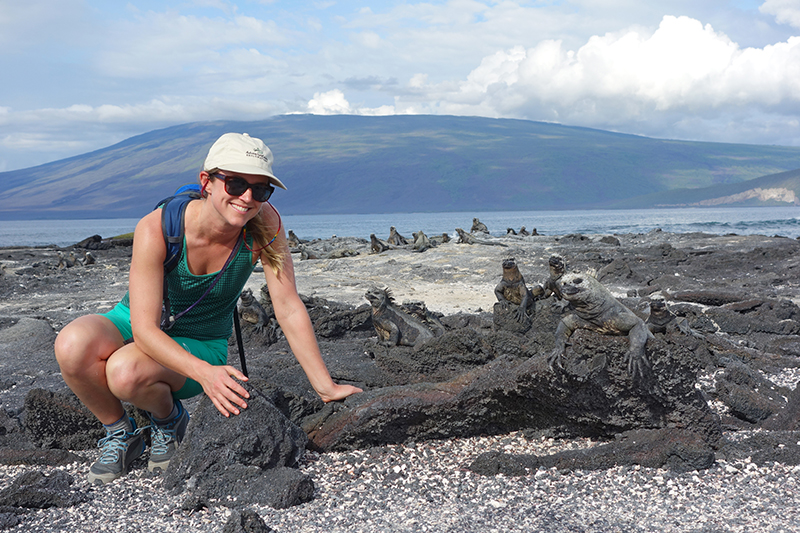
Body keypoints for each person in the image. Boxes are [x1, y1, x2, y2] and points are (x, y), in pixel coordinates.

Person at [54, 132, 362, 485]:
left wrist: (325, 386)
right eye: (235, 183)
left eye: (260, 190)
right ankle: (121, 433)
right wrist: (205, 375)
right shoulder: (158, 227)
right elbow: (143, 330)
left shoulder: (266, 227)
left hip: (202, 340)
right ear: (208, 182)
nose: (247, 198)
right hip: (139, 321)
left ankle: (168, 420)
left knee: (126, 372)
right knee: (72, 343)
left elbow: (288, 307)